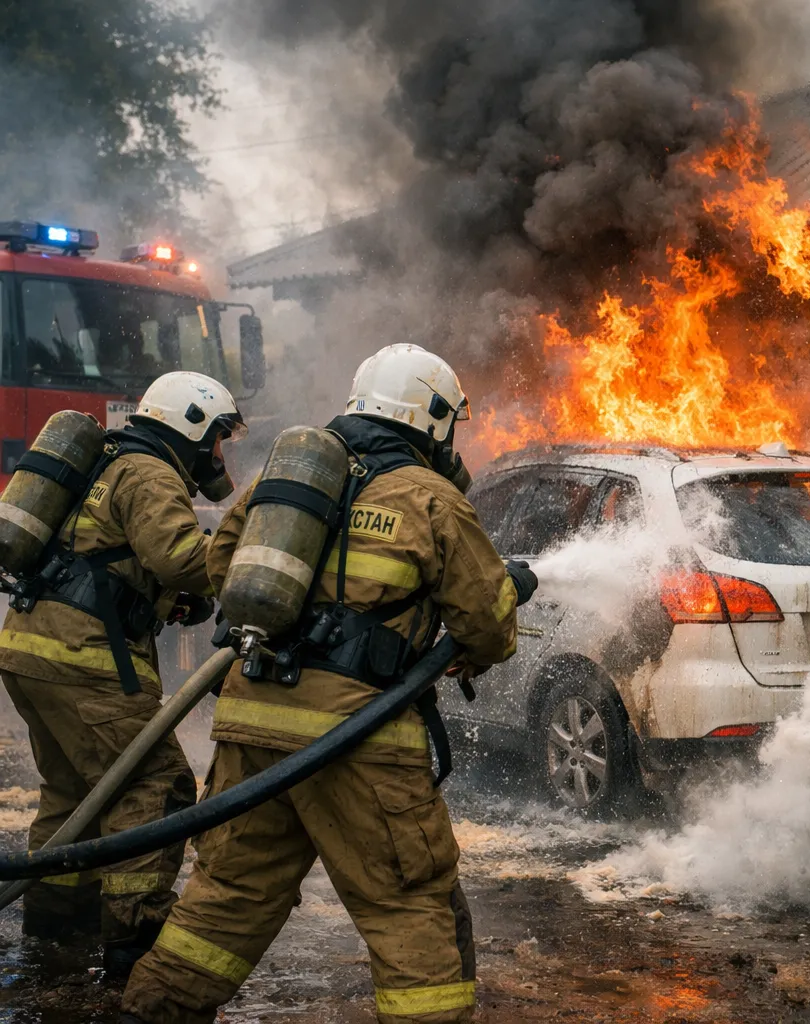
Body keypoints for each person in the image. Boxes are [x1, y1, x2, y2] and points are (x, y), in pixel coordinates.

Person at [120, 344, 537, 1024]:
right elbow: (487, 629)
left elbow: (220, 571)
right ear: (432, 418)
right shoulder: (431, 499)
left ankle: (150, 1013)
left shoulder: (284, 480)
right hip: (358, 737)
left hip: (253, 723)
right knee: (407, 904)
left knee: (226, 898)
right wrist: (503, 597)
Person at [0, 371, 245, 977]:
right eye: (217, 437)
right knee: (154, 786)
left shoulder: (103, 462)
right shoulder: (149, 472)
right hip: (83, 658)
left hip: (30, 647)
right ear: (190, 427)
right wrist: (250, 558)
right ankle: (133, 940)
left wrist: (160, 600)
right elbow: (181, 559)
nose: (218, 453)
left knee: (74, 791)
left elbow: (99, 558)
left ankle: (55, 925)